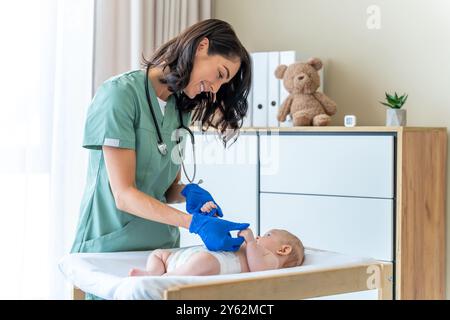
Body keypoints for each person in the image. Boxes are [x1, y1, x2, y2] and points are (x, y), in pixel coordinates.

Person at [69, 19, 252, 299]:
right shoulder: (119, 95)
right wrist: (194, 223)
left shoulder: (182, 110)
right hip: (110, 251)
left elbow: (166, 188)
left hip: (161, 256)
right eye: (219, 74)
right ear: (202, 46)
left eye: (222, 83)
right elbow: (124, 195)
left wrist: (189, 193)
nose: (214, 89)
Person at [129, 201, 305, 276]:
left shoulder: (272, 259)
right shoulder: (255, 249)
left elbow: (259, 270)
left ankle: (167, 278)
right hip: (194, 257)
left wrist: (251, 243)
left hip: (208, 262)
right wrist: (211, 220)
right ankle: (153, 272)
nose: (260, 236)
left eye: (268, 235)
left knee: (205, 261)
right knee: (160, 254)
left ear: (283, 250)